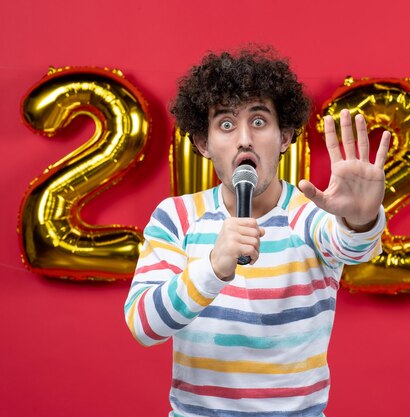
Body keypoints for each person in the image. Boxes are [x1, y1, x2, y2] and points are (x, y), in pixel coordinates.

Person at [124, 46, 391, 417]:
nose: (245, 139)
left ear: (284, 137)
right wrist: (212, 268)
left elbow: (351, 247)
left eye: (260, 121)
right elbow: (144, 325)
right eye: (227, 124)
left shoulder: (309, 215)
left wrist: (360, 219)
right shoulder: (177, 217)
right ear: (204, 143)